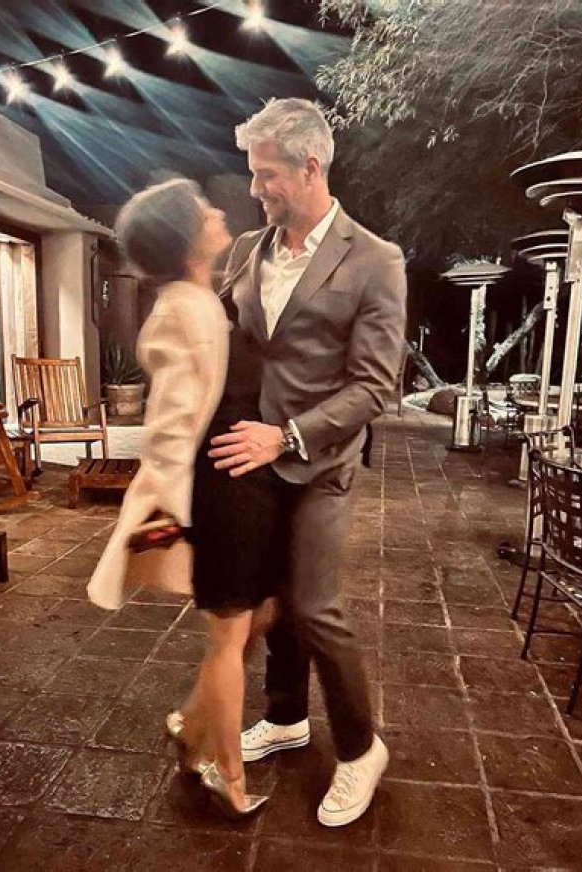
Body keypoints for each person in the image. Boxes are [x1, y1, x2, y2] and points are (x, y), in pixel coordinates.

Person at [208, 98, 407, 827]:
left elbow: (376, 386)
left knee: (316, 605)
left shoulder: (376, 260)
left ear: (310, 167)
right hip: (252, 461)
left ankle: (360, 748)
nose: (254, 187)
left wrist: (286, 436)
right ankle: (287, 716)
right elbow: (229, 335)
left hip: (320, 461)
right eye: (253, 172)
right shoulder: (246, 250)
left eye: (266, 174)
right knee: (274, 596)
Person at [87, 178, 279, 819]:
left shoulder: (201, 300)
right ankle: (228, 774)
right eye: (203, 210)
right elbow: (168, 431)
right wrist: (165, 519)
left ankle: (190, 725)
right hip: (222, 499)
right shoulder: (181, 311)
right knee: (230, 638)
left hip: (241, 490)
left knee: (258, 618)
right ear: (185, 238)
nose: (218, 212)